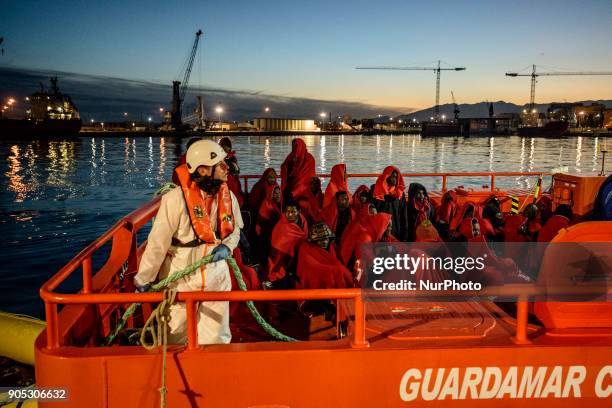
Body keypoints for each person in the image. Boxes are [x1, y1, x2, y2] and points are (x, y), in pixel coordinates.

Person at [134, 140, 243, 345]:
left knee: (217, 339)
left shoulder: (230, 199)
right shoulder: (175, 199)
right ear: (202, 170)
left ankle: (211, 375)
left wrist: (227, 247)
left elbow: (235, 230)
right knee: (175, 336)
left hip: (216, 279)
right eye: (220, 164)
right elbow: (158, 243)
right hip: (179, 282)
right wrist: (144, 278)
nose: (226, 168)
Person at [266, 200, 309, 287]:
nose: (289, 215)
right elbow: (279, 246)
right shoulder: (282, 226)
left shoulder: (303, 221)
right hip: (284, 258)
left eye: (293, 212)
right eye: (287, 212)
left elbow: (304, 237)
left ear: (299, 211)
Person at [372, 166, 409, 241]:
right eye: (393, 177)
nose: (395, 179)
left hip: (395, 228)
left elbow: (403, 214)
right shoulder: (377, 190)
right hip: (380, 229)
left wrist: (404, 234)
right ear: (387, 177)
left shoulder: (400, 193)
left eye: (396, 177)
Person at [280, 138, 316, 206]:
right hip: (290, 188)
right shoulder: (291, 156)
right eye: (293, 146)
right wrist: (291, 164)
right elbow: (284, 167)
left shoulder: (309, 159)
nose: (294, 148)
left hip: (303, 191)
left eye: (296, 146)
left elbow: (307, 179)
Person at [218, 137, 244, 207]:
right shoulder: (220, 159)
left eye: (227, 146)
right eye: (223, 146)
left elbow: (236, 171)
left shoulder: (232, 158)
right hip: (228, 184)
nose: (225, 148)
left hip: (231, 183)